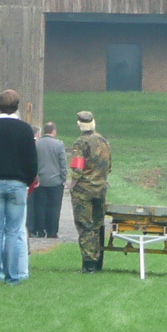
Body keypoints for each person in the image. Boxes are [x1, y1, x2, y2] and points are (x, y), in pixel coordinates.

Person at [0, 90, 37, 285]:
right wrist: (27, 181)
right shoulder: (25, 130)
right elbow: (31, 161)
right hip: (18, 183)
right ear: (17, 106)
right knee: (13, 231)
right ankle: (12, 276)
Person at [70, 110, 111, 273]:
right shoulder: (104, 141)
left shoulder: (80, 143)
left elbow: (77, 168)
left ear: (79, 124)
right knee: (97, 225)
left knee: (85, 226)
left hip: (84, 191)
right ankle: (97, 260)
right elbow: (109, 165)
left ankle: (88, 264)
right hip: (100, 189)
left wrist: (72, 184)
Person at [31, 122, 67, 238]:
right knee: (54, 207)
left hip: (40, 180)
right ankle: (52, 231)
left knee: (40, 206)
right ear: (54, 131)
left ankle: (40, 230)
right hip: (55, 181)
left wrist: (36, 177)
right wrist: (63, 178)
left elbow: (33, 163)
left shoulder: (37, 144)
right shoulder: (59, 145)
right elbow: (63, 164)